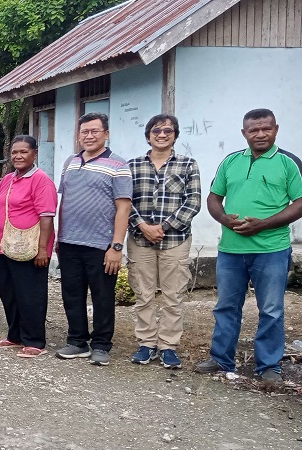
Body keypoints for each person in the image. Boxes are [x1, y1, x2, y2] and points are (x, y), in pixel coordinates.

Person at [194, 108, 302, 382]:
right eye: (253, 130)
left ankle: (268, 367)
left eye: (266, 128)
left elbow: (300, 202)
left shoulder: (288, 162)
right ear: (244, 133)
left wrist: (263, 224)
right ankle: (221, 359)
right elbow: (214, 198)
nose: (260, 134)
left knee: (271, 309)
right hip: (231, 250)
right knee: (226, 307)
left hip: (271, 249)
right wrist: (224, 220)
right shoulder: (231, 162)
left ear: (276, 129)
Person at [55, 113, 133, 366]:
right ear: (78, 136)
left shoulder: (118, 165)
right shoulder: (70, 162)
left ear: (106, 134)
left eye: (94, 131)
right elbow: (63, 201)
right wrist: (58, 236)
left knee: (102, 296)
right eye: (84, 132)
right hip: (69, 242)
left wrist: (116, 246)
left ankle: (101, 345)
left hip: (101, 245)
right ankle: (77, 341)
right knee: (72, 294)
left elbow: (123, 208)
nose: (89, 136)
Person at [127, 115, 201, 369]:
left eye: (168, 130)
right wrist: (143, 226)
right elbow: (125, 201)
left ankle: (168, 346)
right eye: (156, 130)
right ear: (148, 135)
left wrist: (164, 227)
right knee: (143, 294)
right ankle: (146, 344)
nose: (162, 134)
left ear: (175, 135)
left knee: (173, 296)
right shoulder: (133, 165)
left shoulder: (188, 164)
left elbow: (193, 202)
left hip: (176, 239)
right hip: (140, 238)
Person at [0, 136, 57, 358]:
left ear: (35, 153)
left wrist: (42, 249)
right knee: (9, 292)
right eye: (14, 152)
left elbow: (46, 216)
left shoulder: (41, 180)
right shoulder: (7, 179)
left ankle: (34, 339)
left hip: (29, 246)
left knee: (30, 293)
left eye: (23, 152)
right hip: (3, 245)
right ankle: (15, 334)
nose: (18, 156)